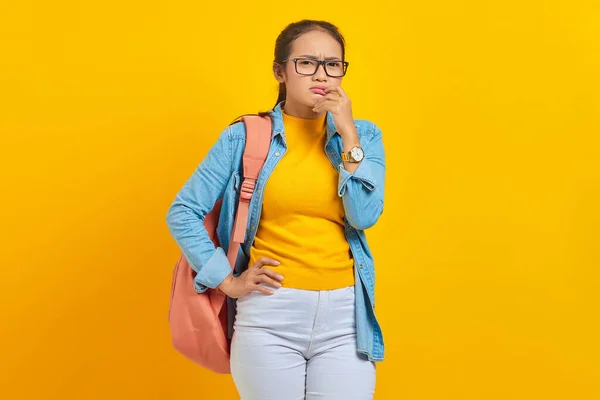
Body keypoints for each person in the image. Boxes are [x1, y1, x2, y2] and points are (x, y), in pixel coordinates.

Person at [166, 19, 386, 400]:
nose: (322, 75)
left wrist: (347, 133)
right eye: (307, 63)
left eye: (333, 65)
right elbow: (183, 211)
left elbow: (363, 215)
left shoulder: (363, 135)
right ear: (280, 71)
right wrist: (227, 280)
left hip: (345, 317)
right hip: (271, 316)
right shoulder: (245, 137)